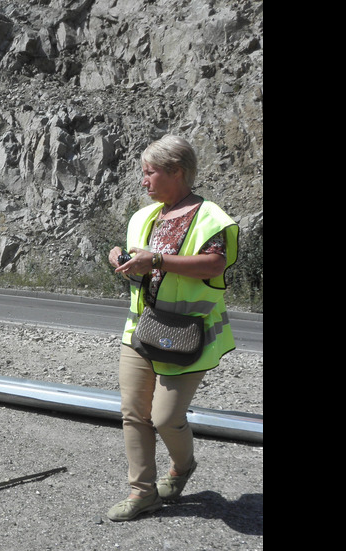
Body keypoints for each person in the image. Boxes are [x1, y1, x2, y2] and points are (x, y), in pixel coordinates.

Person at [105, 135, 239, 522]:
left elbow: (214, 265)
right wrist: (121, 259)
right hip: (140, 331)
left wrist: (159, 259)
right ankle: (142, 493)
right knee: (133, 413)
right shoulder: (144, 217)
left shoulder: (209, 215)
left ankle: (182, 468)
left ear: (176, 171)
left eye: (149, 173)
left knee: (164, 418)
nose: (143, 181)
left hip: (186, 334)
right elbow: (140, 273)